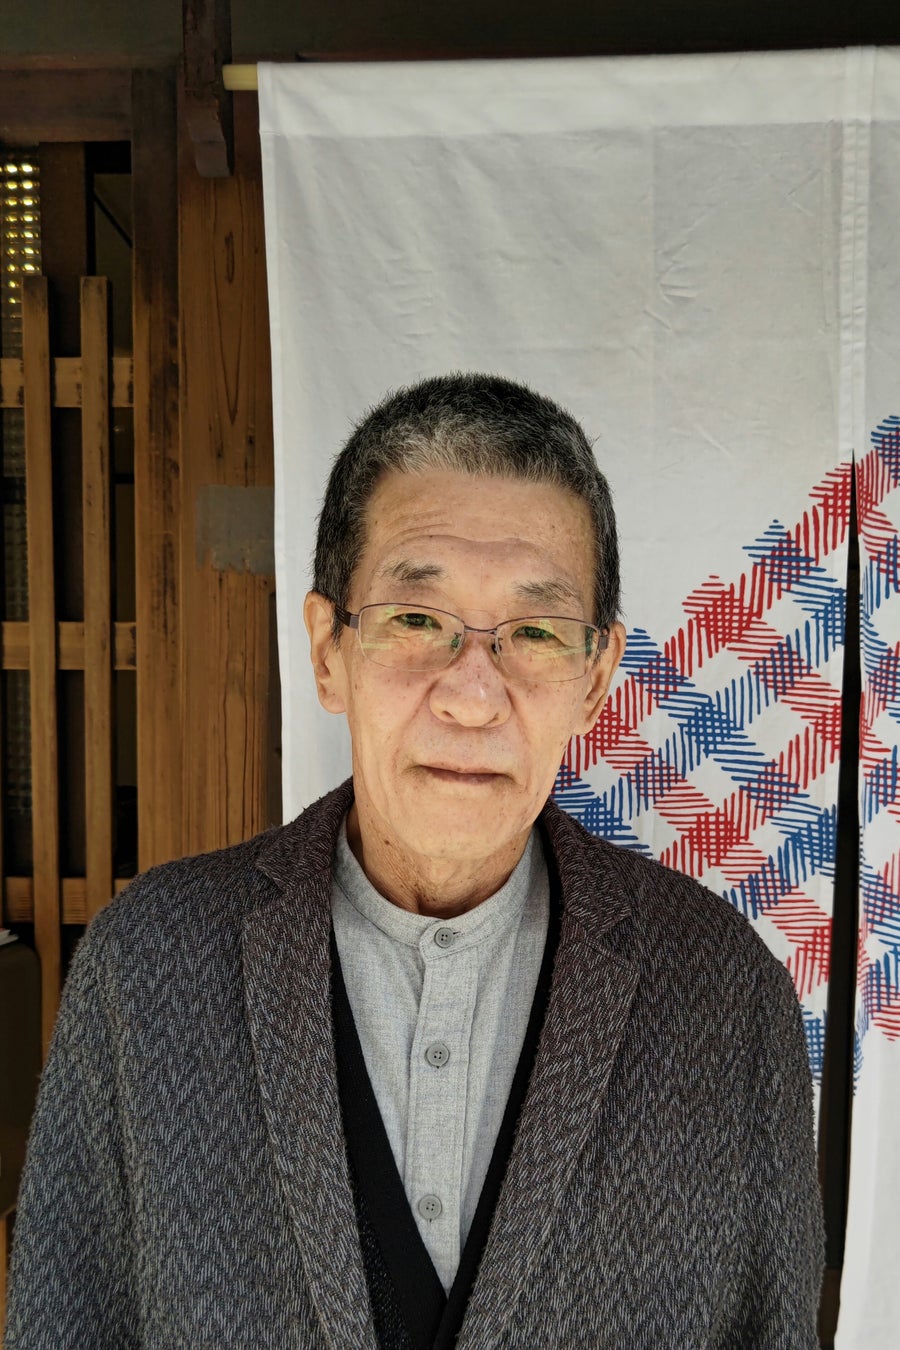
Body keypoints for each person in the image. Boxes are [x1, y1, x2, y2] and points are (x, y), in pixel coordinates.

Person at [5, 373, 823, 1348]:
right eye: (415, 619)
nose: (472, 695)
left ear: (595, 678)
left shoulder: (725, 995)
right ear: (328, 650)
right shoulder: (149, 968)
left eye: (534, 632)